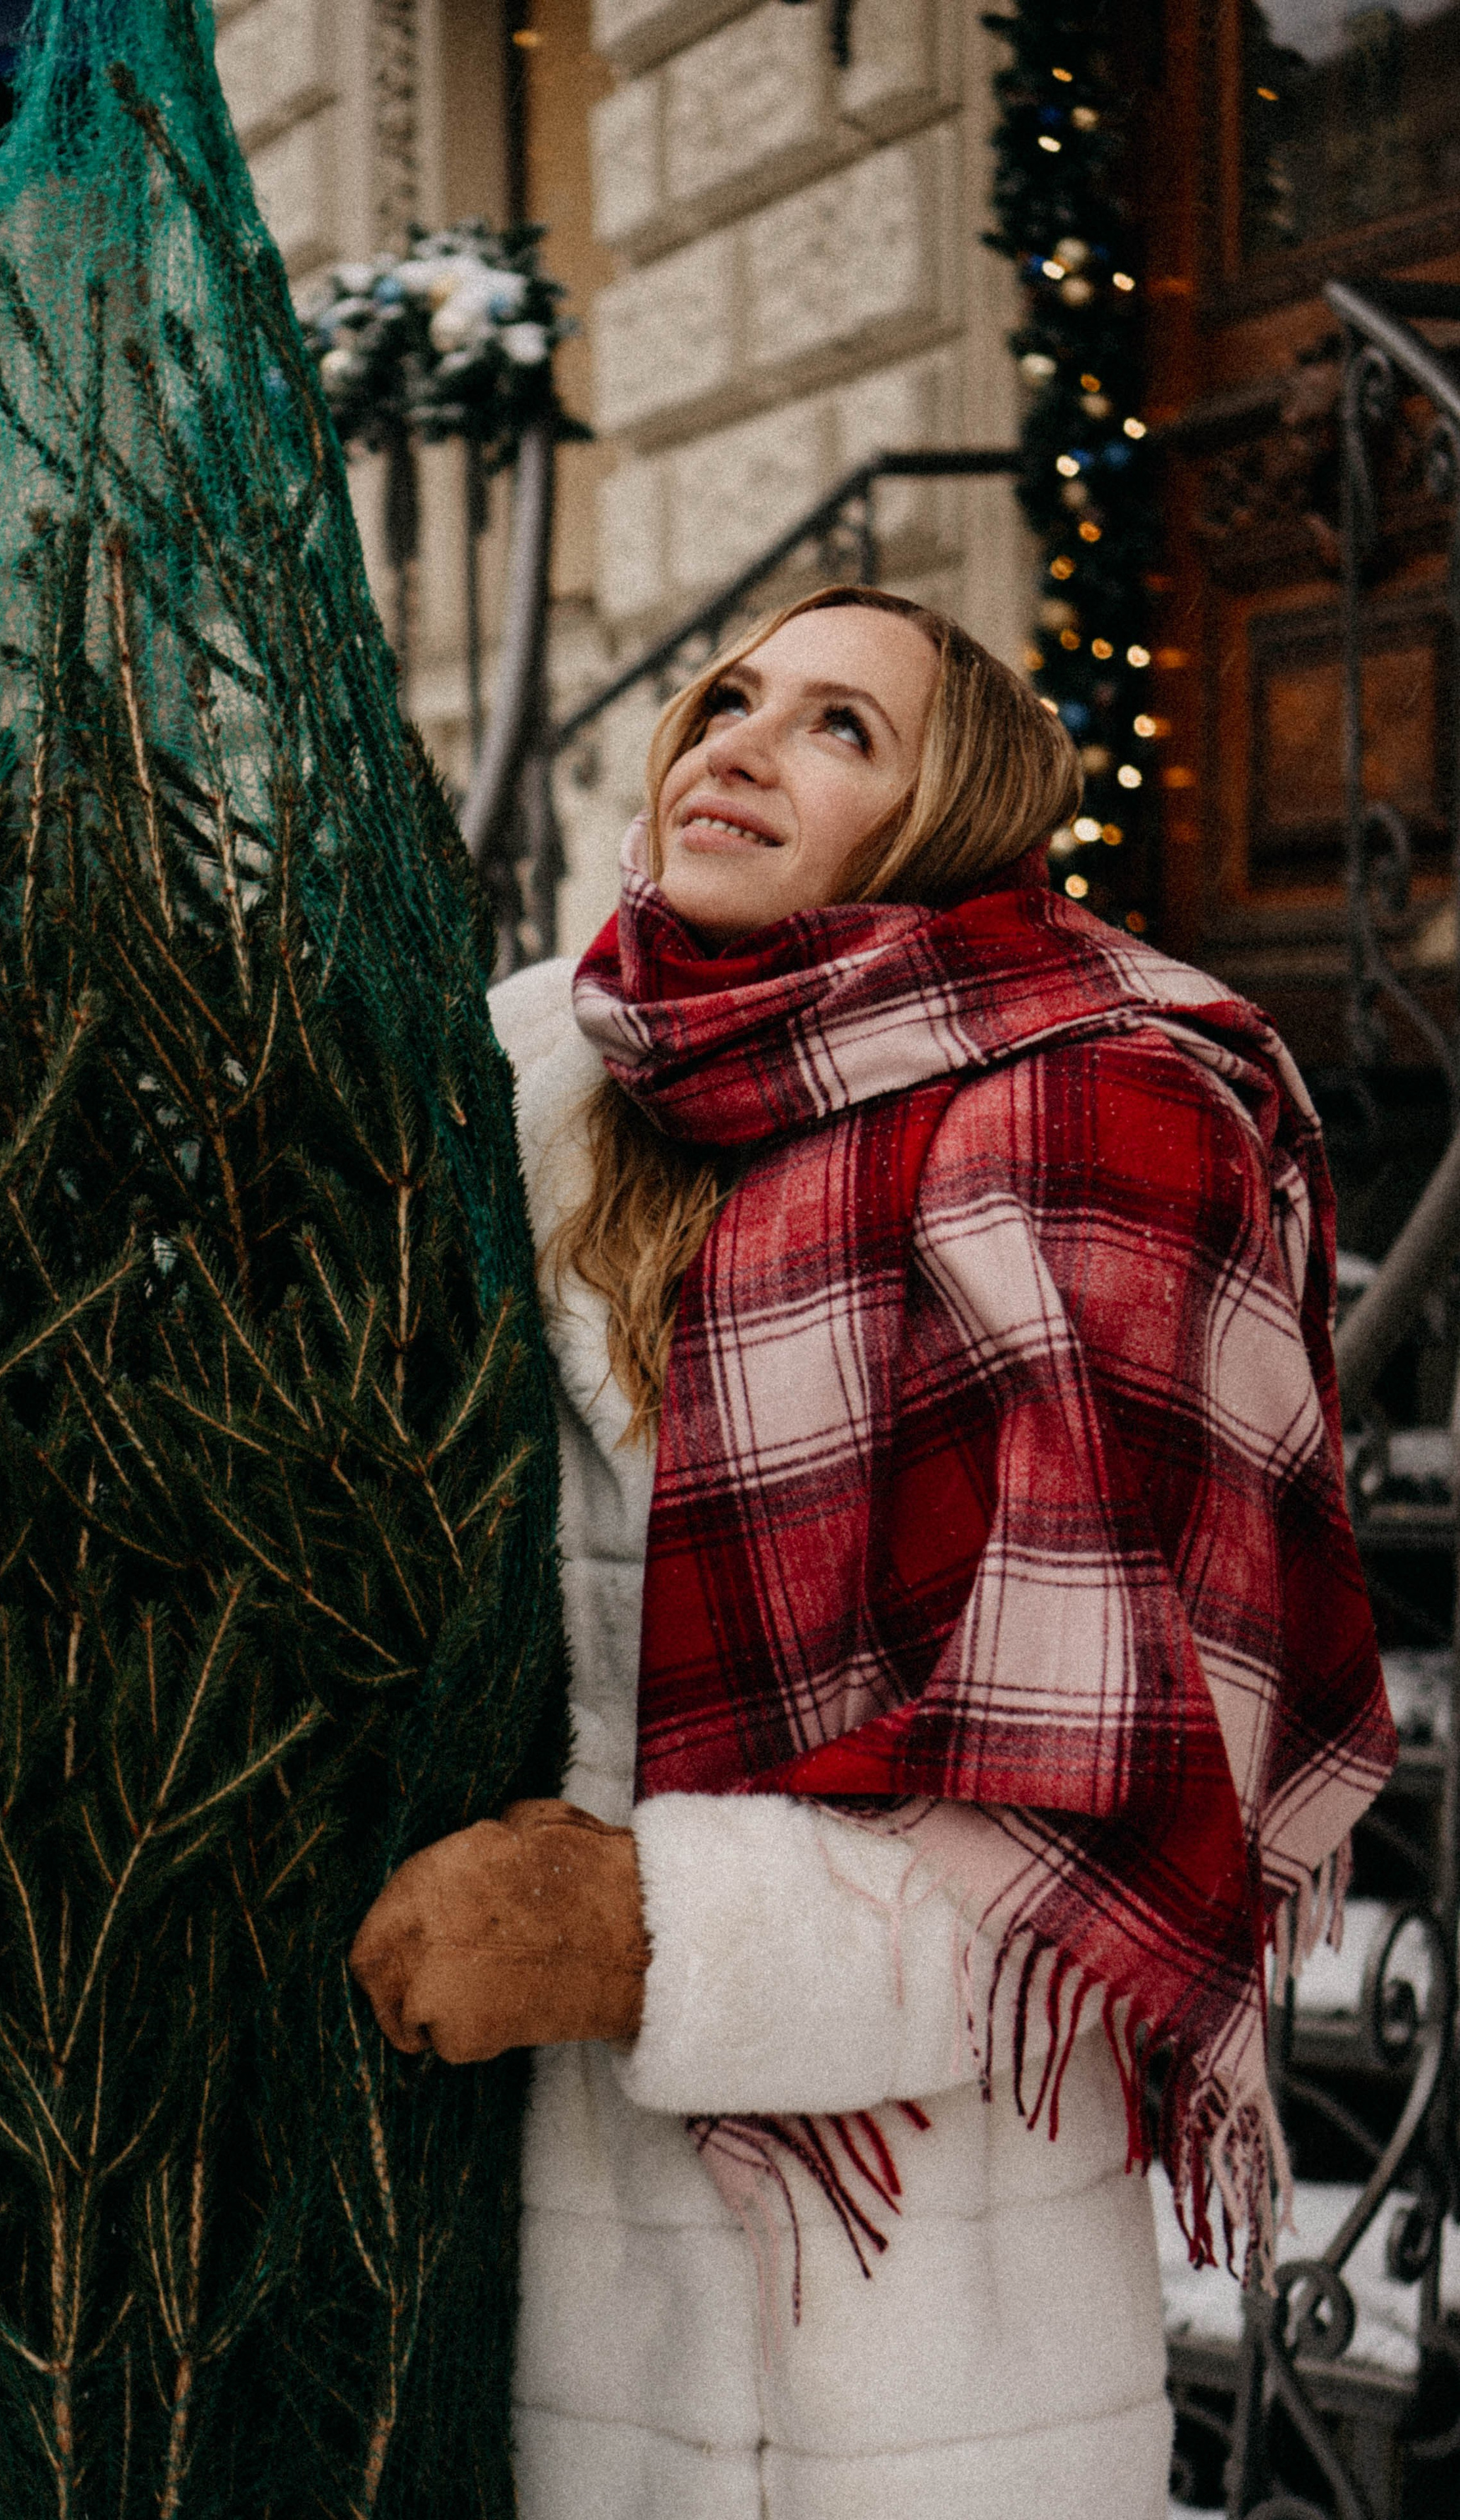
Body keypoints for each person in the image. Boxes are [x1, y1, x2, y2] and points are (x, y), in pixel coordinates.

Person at [350, 587, 1395, 2520]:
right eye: (730, 696)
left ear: (951, 829)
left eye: (842, 729)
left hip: (930, 2284)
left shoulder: (1104, 1117)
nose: (741, 743)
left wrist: (641, 1932)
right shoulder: (531, 1082)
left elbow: (1096, 1823)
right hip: (531, 2229)